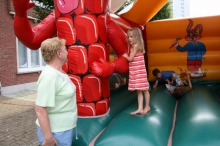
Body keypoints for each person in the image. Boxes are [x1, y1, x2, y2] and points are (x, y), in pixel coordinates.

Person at [35, 37, 77, 146]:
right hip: (56, 133)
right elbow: (40, 109)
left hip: (63, 130)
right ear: (59, 53)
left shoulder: (59, 72)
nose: (67, 52)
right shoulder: (50, 76)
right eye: (65, 49)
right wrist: (48, 138)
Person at [122, 27, 150, 115]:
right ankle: (140, 108)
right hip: (137, 72)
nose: (129, 39)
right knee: (139, 90)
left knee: (145, 89)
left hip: (139, 72)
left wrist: (125, 56)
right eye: (128, 37)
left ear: (136, 37)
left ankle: (147, 106)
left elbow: (130, 59)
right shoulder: (135, 46)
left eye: (131, 37)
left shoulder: (135, 46)